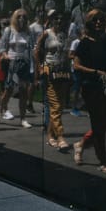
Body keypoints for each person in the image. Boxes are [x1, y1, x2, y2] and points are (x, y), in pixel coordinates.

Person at [71, 9, 106, 173]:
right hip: (91, 87)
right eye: (95, 20)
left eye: (101, 19)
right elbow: (76, 65)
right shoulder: (84, 43)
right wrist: (96, 72)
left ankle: (81, 144)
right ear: (89, 23)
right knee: (98, 124)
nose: (98, 22)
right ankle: (103, 161)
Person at [35, 9, 72, 149]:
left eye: (61, 19)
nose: (58, 21)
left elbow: (66, 54)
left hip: (62, 72)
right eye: (56, 19)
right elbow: (37, 50)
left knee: (59, 105)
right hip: (49, 71)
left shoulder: (63, 35)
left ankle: (50, 136)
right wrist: (40, 67)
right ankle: (60, 136)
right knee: (55, 104)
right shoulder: (46, 34)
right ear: (51, 20)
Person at [0, 9, 34, 128]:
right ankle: (0, 110)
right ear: (15, 18)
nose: (22, 19)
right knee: (9, 89)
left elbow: (31, 47)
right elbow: (1, 47)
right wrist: (5, 55)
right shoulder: (9, 30)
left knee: (23, 91)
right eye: (19, 16)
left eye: (24, 17)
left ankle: (23, 118)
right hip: (12, 62)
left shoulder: (28, 31)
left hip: (24, 62)